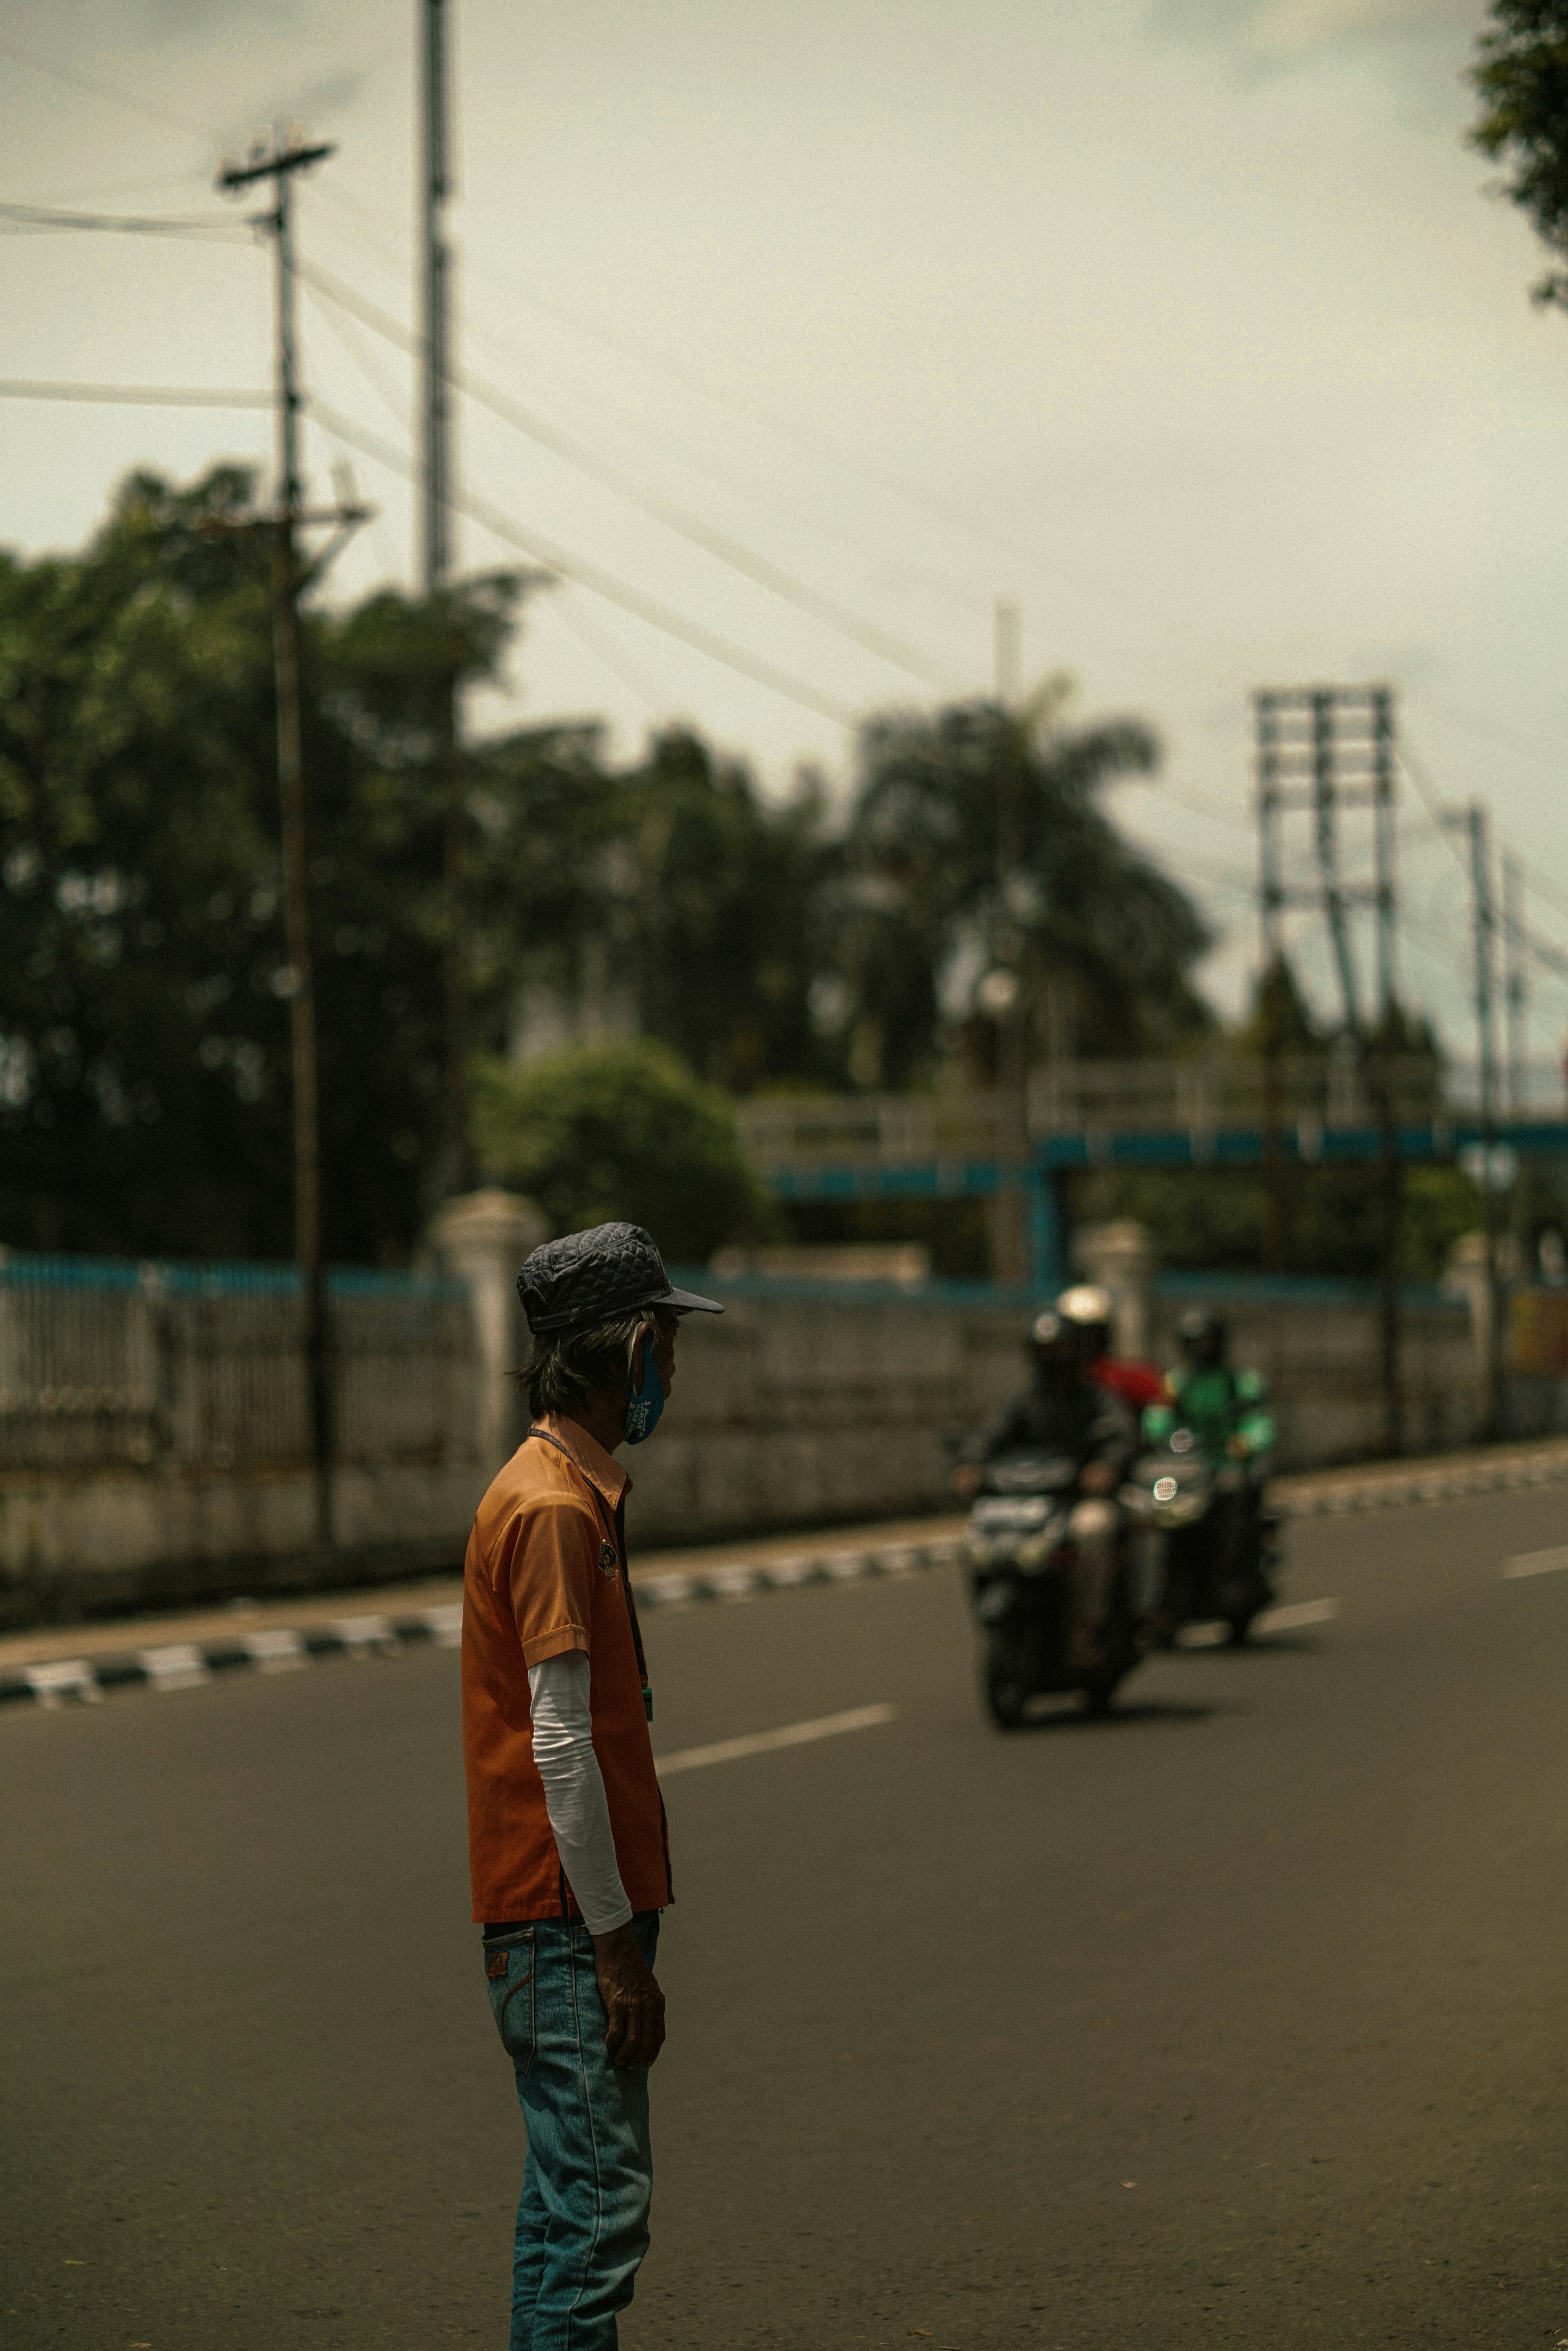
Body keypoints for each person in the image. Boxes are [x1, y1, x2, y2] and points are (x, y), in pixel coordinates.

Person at [461, 1221, 723, 2351]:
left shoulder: (560, 1489)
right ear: (624, 1353)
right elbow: (560, 1740)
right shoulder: (557, 1508)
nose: (672, 1366)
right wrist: (615, 1943)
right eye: (663, 1341)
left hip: (556, 1917)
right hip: (567, 1926)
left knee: (564, 2206)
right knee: (599, 2217)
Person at [956, 1289, 1138, 1667]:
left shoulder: (1098, 1400)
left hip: (1075, 1503)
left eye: (1060, 1351)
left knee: (1095, 1528)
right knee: (976, 1537)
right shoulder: (1023, 1402)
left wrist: (1106, 1468)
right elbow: (990, 1438)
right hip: (1030, 1505)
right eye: (1045, 1352)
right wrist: (973, 1466)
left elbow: (1121, 1436)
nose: (1052, 1360)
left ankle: (1086, 1626)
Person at [1157, 1307, 1274, 1602]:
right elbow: (1158, 1419)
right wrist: (1156, 1434)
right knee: (1154, 1499)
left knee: (1233, 1488)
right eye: (1195, 1342)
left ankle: (1231, 1572)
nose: (1201, 1349)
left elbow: (1260, 1422)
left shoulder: (1240, 1382)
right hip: (1185, 1470)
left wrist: (1247, 1441)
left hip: (1225, 1465)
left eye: (1206, 1341)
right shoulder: (1176, 1383)